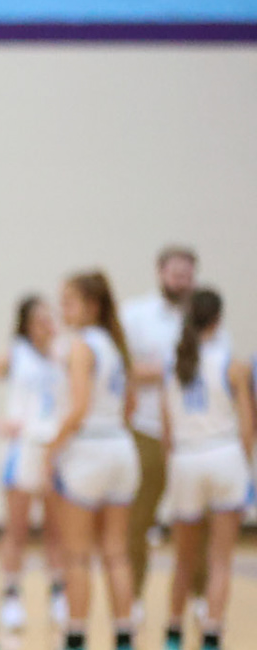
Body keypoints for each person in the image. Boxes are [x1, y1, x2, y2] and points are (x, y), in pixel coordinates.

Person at [45, 271, 140, 650]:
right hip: (120, 445)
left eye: (70, 300)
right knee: (117, 553)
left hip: (88, 450)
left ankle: (76, 649)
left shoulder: (82, 346)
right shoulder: (116, 347)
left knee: (77, 556)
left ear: (92, 305)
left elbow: (78, 407)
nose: (63, 308)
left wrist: (52, 448)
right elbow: (131, 404)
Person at [160, 288, 253, 650]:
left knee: (183, 559)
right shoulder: (233, 365)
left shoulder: (173, 363)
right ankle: (212, 646)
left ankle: (172, 637)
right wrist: (243, 466)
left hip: (185, 457)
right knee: (219, 561)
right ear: (218, 319)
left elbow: (166, 429)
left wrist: (177, 463)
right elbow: (248, 423)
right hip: (224, 455)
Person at [121, 246, 199, 603]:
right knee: (138, 519)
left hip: (192, 435)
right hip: (147, 428)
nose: (181, 281)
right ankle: (133, 597)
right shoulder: (137, 315)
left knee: (195, 520)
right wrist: (167, 371)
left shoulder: (201, 317)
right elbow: (123, 368)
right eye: (175, 273)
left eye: (187, 275)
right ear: (160, 272)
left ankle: (199, 597)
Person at [0, 295, 65, 636]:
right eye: (40, 320)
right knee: (17, 528)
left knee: (56, 529)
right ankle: (11, 595)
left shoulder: (64, 356)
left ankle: (58, 593)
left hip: (54, 448)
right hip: (21, 450)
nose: (48, 325)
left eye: (51, 318)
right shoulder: (15, 354)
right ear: (27, 325)